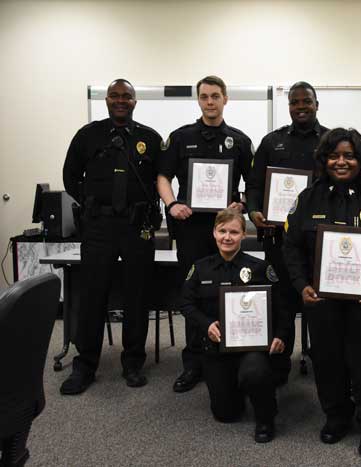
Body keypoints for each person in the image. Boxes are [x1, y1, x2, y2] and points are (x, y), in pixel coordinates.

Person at [283, 128, 361, 458]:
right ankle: (337, 416)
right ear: (324, 159)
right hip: (323, 301)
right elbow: (291, 247)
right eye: (334, 156)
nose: (341, 162)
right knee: (327, 360)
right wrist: (302, 285)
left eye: (349, 156)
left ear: (360, 159)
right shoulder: (308, 198)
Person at [61, 79, 163, 394]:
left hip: (137, 227)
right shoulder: (87, 136)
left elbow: (161, 180)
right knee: (93, 296)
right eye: (115, 96)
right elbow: (70, 176)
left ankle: (132, 363)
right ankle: (85, 365)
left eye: (127, 97)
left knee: (137, 296)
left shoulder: (150, 138)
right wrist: (93, 204)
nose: (121, 101)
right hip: (99, 228)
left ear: (135, 101)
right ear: (107, 99)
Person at [157, 75, 254, 393]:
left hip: (228, 229)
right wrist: (172, 204)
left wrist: (240, 202)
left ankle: (232, 354)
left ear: (225, 99)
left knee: (232, 288)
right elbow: (162, 176)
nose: (209, 101)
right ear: (198, 100)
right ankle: (193, 364)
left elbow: (252, 186)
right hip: (192, 229)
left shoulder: (239, 141)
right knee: (193, 292)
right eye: (204, 96)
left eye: (215, 96)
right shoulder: (181, 137)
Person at [180, 207, 291, 443]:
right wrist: (207, 324)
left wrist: (280, 335)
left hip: (251, 347)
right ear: (214, 233)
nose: (227, 237)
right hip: (216, 348)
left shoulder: (260, 268)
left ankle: (266, 416)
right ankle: (236, 388)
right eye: (222, 231)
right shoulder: (200, 268)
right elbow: (186, 304)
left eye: (234, 232)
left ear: (244, 235)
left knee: (255, 372)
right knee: (226, 414)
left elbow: (282, 306)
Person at [245, 81, 329, 385]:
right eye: (295, 102)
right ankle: (280, 364)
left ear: (317, 104)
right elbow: (254, 186)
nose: (301, 107)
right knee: (281, 300)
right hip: (278, 239)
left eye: (307, 101)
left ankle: (324, 364)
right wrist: (254, 211)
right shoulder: (272, 142)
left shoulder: (331, 141)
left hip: (320, 242)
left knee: (320, 304)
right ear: (289, 106)